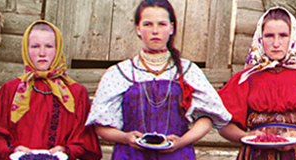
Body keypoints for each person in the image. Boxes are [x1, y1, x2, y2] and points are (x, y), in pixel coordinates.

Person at [85, 0, 231, 159]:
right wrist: (125, 138)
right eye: (148, 24)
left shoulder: (188, 71)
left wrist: (181, 142)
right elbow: (101, 125)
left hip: (177, 155)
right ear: (138, 29)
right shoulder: (119, 73)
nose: (155, 31)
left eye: (162, 24)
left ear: (171, 28)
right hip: (131, 155)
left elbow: (206, 118)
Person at [217, 7, 296, 160]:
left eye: (283, 35)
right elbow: (224, 125)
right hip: (255, 155)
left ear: (292, 38)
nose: (276, 43)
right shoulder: (245, 79)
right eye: (269, 36)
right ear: (259, 38)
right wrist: (247, 136)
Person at [0, 20, 102, 160]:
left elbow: (85, 141)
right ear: (25, 49)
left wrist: (65, 150)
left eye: (48, 46)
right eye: (35, 46)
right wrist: (13, 150)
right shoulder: (10, 90)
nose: (42, 53)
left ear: (58, 49)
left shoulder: (76, 93)